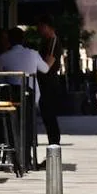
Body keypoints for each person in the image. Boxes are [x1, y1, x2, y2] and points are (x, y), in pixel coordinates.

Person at [0, 27, 57, 160]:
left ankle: (13, 155)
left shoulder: (3, 57)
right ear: (23, 40)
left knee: (12, 125)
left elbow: (0, 78)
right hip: (30, 96)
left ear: (8, 41)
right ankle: (28, 156)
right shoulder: (33, 54)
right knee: (29, 125)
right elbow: (45, 69)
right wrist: (50, 59)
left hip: (11, 98)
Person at [35, 18, 63, 147]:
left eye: (41, 26)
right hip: (44, 82)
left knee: (49, 113)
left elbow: (48, 64)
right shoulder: (45, 41)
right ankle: (53, 142)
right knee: (47, 114)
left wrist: (36, 65)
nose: (39, 30)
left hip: (49, 82)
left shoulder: (52, 41)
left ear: (48, 27)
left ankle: (54, 143)